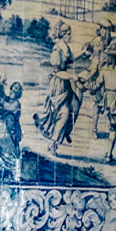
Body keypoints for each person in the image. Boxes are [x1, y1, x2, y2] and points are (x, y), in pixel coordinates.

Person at [36, 21, 83, 153]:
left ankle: (66, 130)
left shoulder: (65, 47)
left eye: (70, 33)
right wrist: (72, 76)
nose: (70, 36)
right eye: (68, 34)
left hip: (66, 83)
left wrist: (83, 53)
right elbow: (58, 72)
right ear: (62, 35)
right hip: (58, 85)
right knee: (64, 113)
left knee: (75, 105)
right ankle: (53, 143)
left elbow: (70, 59)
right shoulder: (57, 50)